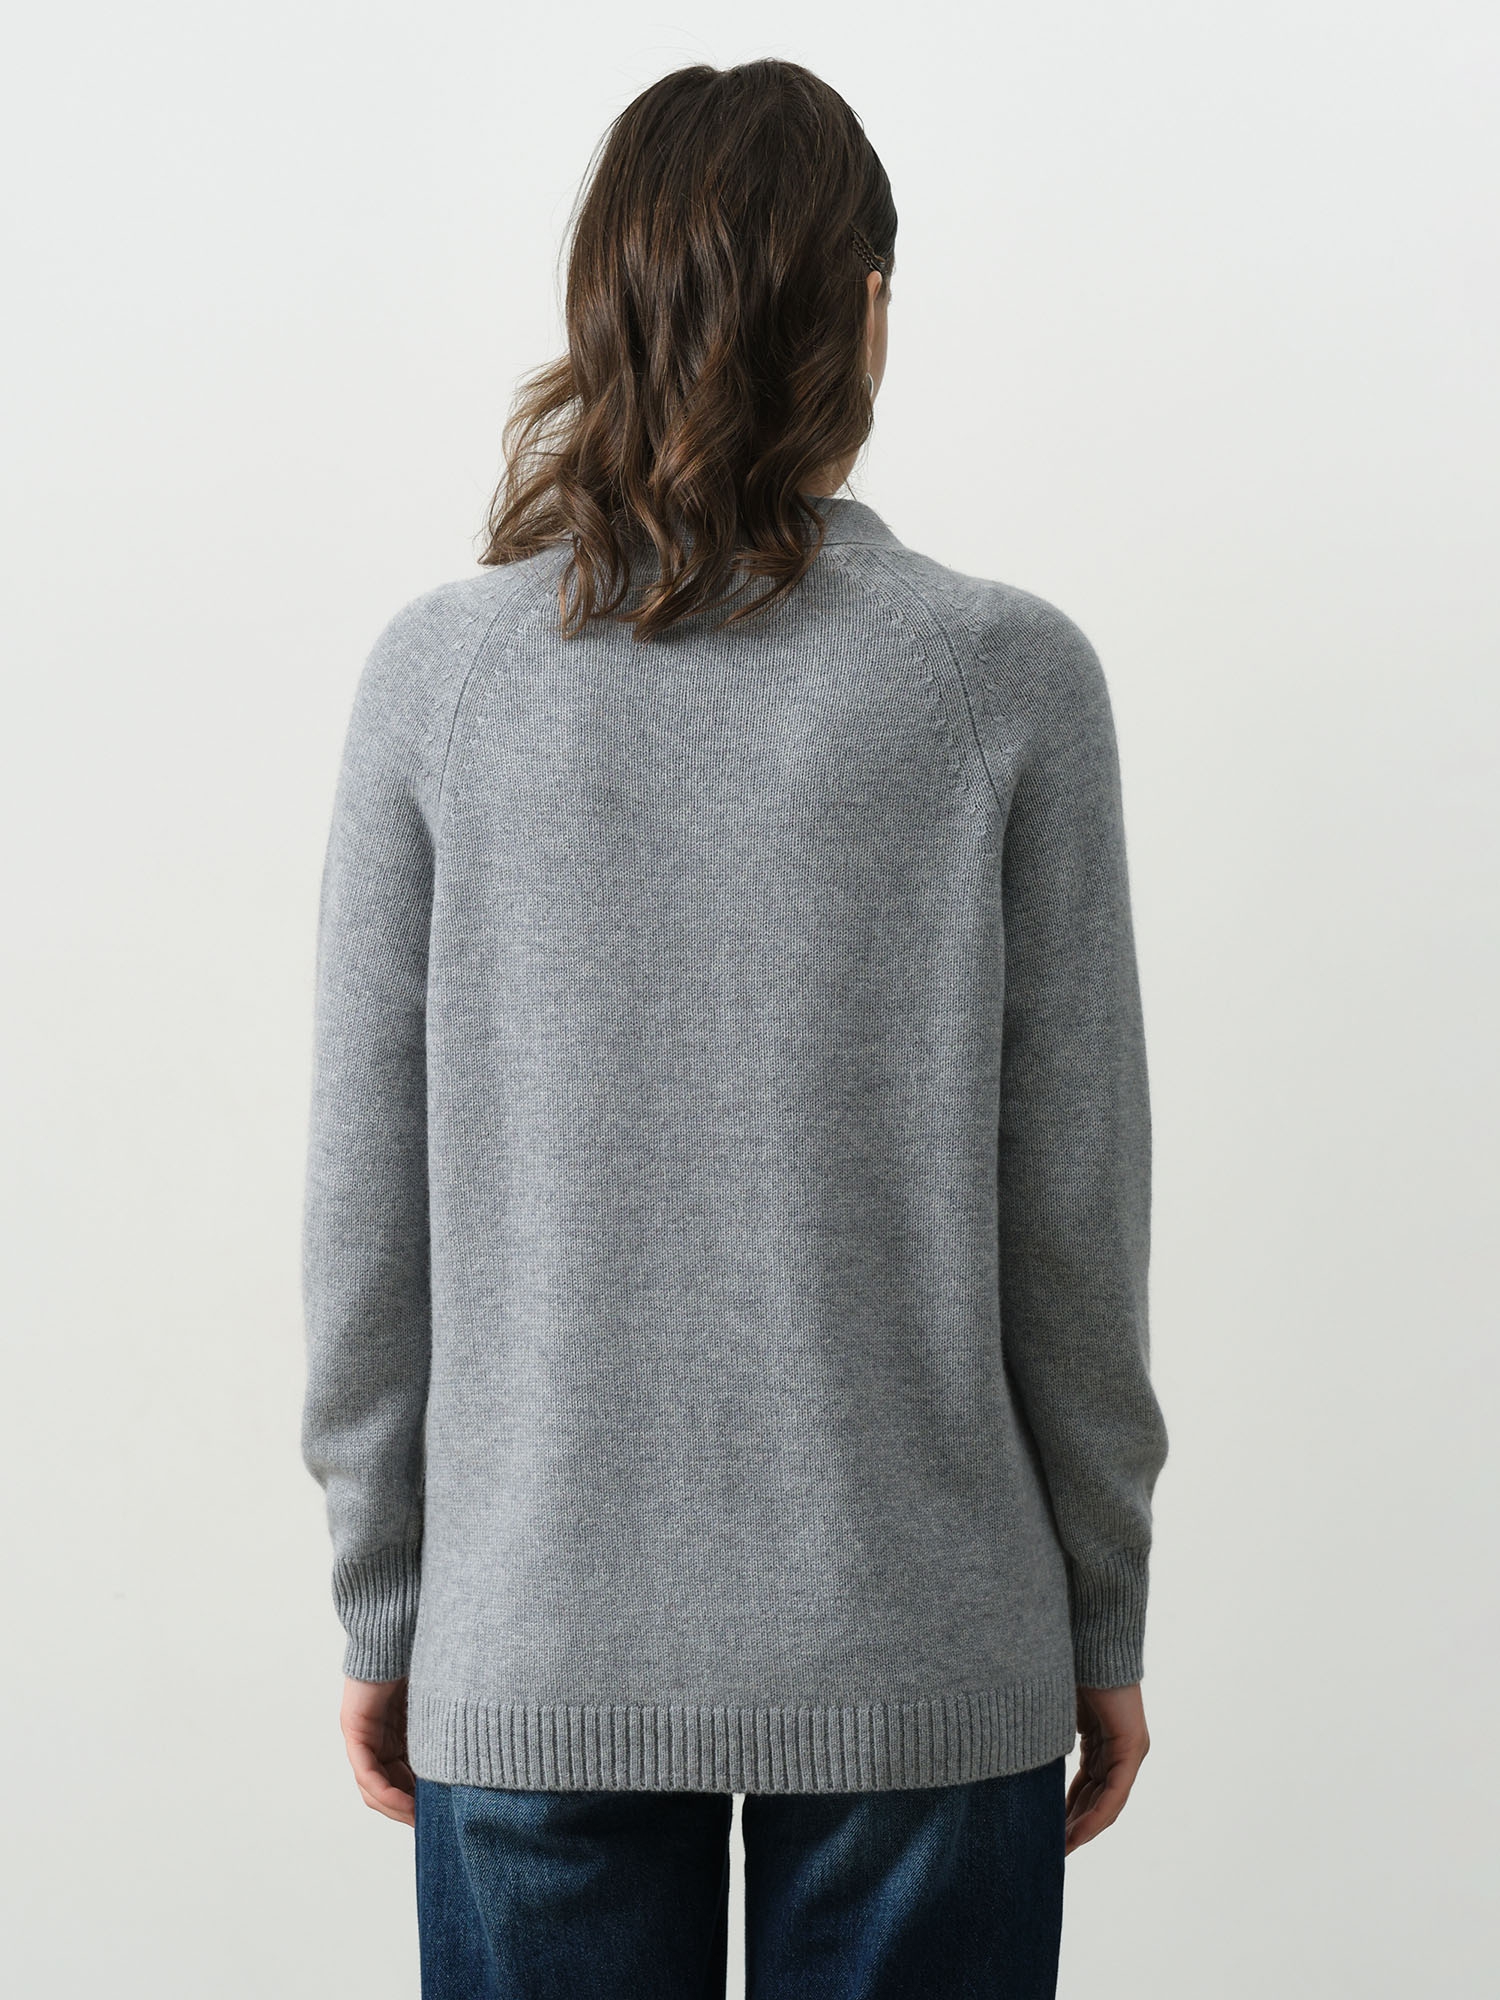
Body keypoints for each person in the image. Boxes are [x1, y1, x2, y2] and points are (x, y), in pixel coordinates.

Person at [301, 56, 1169, 2000]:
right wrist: (1103, 1606)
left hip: (531, 1640)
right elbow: (1075, 1212)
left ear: (604, 301)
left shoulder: (440, 681)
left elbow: (364, 1208)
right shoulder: (1002, 678)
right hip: (922, 1647)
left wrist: (387, 1595)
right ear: (864, 309)